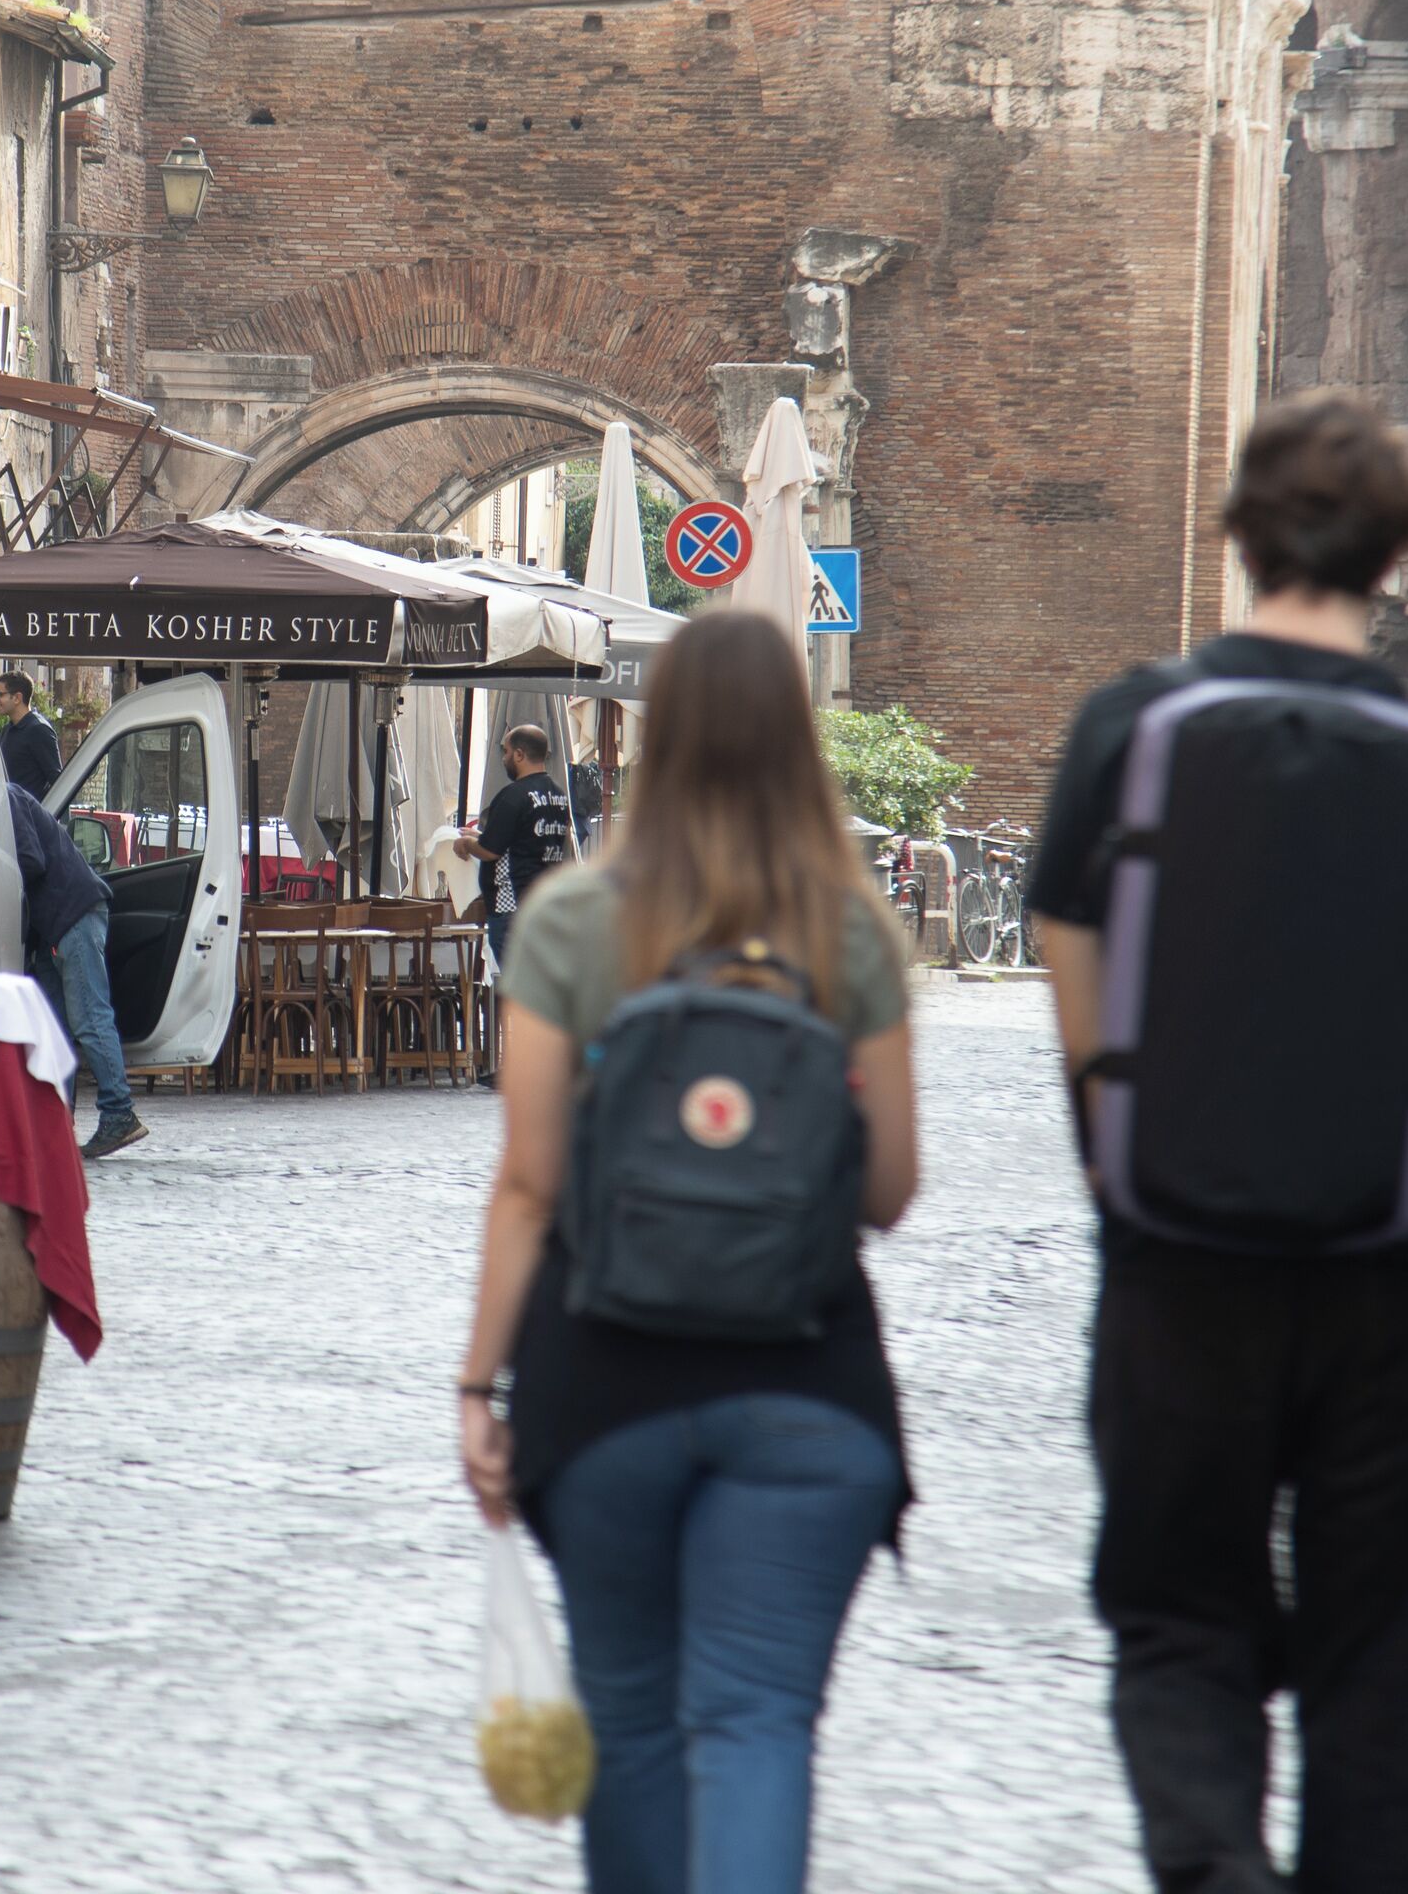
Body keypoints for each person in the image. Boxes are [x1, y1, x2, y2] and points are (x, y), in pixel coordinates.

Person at [1025, 393, 1408, 1894]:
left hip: (1178, 1250)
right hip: (1395, 1269)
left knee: (1180, 1613)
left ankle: (1213, 1862)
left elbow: (1072, 974)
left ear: (1240, 535)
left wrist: (1130, 1163)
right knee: (1385, 1663)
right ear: (1397, 554)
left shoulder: (1131, 727)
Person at [456, 611, 920, 1893]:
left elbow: (529, 1181)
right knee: (758, 1721)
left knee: (636, 1728)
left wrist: (477, 1385)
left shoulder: (570, 921)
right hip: (807, 1384)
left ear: (657, 739)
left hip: (603, 1386)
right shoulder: (851, 930)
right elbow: (889, 1192)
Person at [7, 783, 141, 1159]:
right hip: (59, 923)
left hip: (73, 917)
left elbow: (30, 861)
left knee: (89, 1019)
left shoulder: (9, 798)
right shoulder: (12, 799)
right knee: (55, 1027)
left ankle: (119, 1113)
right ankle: (57, 1123)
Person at [454, 722, 579, 965]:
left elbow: (490, 851)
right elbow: (524, 840)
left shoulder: (513, 796)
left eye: (507, 752)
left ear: (520, 754)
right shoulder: (558, 796)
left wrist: (467, 845)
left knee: (519, 987)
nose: (504, 758)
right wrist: (477, 837)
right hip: (545, 904)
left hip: (512, 908)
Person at [0, 673, 63, 799]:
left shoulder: (39, 730)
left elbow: (58, 783)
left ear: (17, 698)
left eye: (0, 694)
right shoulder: (8, 729)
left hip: (30, 815)